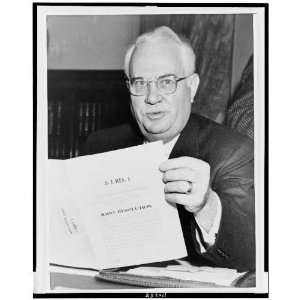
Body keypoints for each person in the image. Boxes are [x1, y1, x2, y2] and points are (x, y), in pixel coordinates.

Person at [85, 26, 255, 272]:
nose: (152, 97)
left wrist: (207, 206)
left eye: (166, 82)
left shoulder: (232, 151)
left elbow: (253, 255)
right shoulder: (100, 147)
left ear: (192, 87)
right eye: (140, 83)